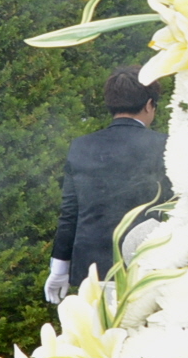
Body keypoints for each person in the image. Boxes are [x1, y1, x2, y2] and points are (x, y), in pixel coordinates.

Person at [49, 66, 169, 302]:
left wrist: (59, 269)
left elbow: (70, 213)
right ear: (149, 105)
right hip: (146, 266)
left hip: (92, 272)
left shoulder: (81, 146)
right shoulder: (164, 146)